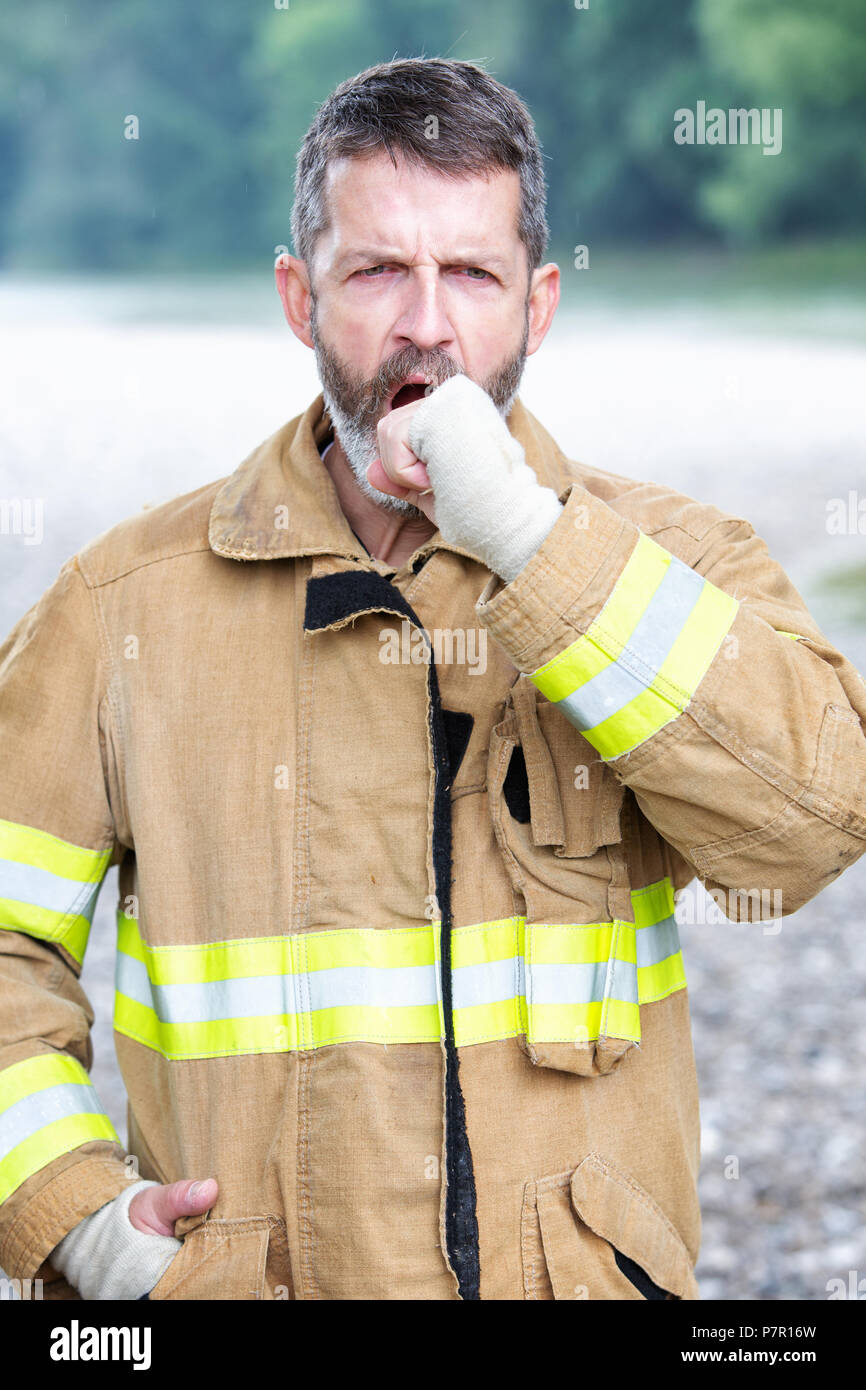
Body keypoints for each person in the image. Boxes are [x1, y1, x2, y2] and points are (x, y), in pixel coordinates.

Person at [1, 56, 864, 1303]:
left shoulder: (674, 564)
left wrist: (530, 541)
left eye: (470, 273)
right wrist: (75, 1215)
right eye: (375, 272)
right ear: (299, 298)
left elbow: (811, 825)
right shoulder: (116, 610)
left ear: (540, 302)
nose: (427, 324)